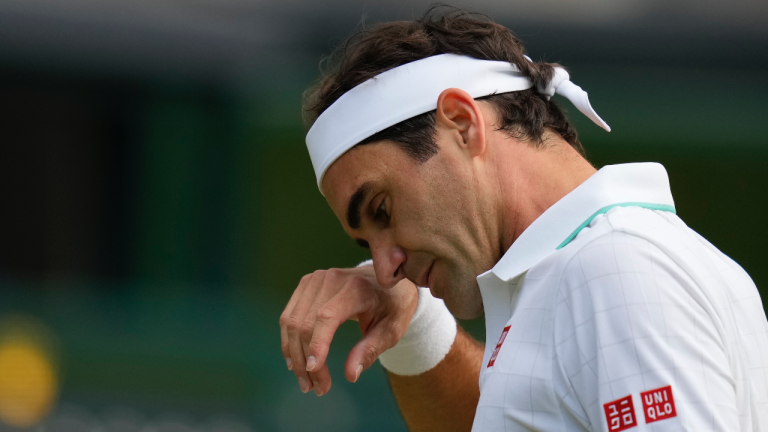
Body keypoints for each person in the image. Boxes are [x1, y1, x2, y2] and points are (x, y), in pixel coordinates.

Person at [279, 8, 768, 432]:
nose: (387, 269)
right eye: (367, 245)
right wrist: (414, 325)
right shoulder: (591, 269)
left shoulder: (612, 270)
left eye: (382, 211)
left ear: (462, 124)